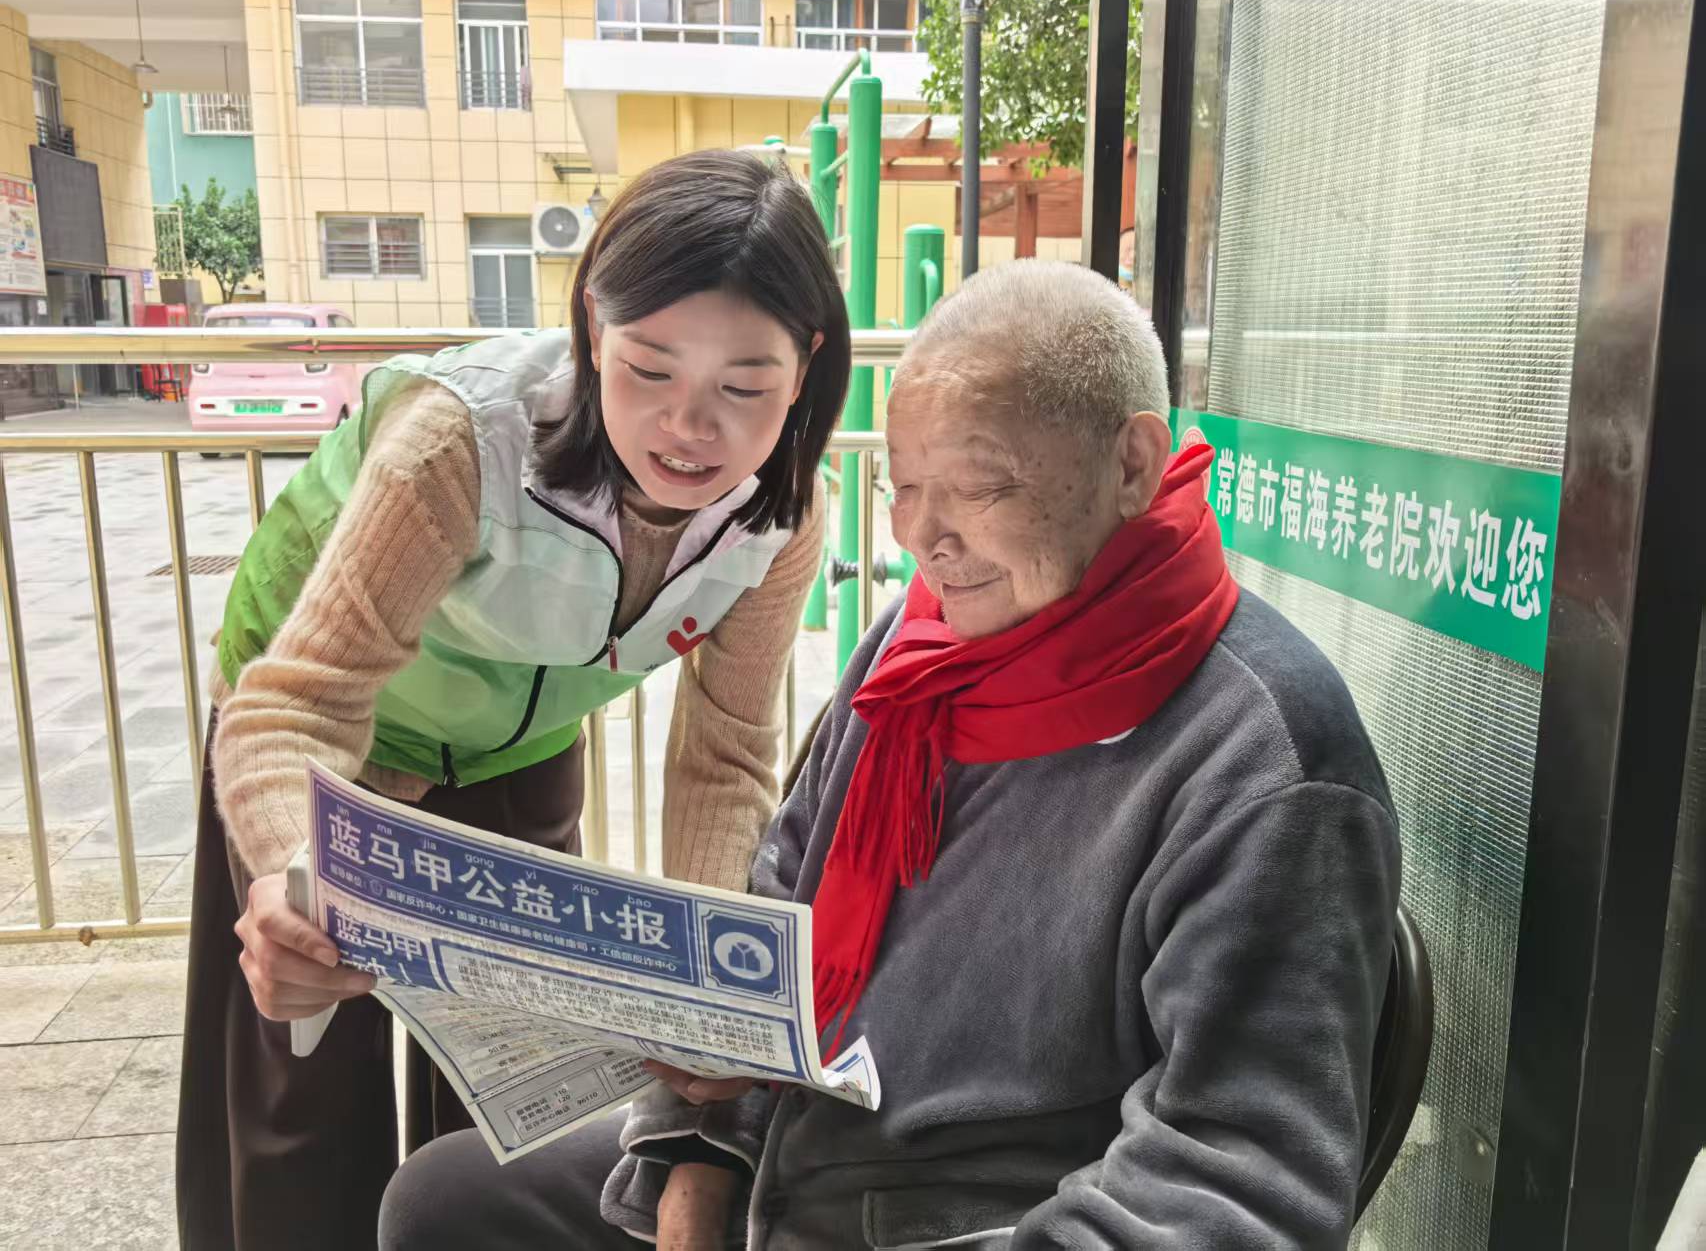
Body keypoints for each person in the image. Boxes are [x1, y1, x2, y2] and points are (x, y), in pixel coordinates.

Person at [378, 260, 1402, 1249]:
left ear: (1130, 463)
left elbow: (1234, 1182)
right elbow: (775, 924)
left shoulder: (1264, 764)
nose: (922, 536)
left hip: (970, 1213)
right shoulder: (915, 650)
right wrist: (697, 1171)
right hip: (791, 1152)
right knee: (446, 1201)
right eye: (903, 486)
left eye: (976, 486)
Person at [176, 149, 852, 1251]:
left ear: (805, 362)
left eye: (743, 387)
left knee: (511, 1085)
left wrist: (704, 991)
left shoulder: (780, 514)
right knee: (305, 1055)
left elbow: (725, 757)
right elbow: (292, 704)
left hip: (515, 744)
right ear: (591, 324)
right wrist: (282, 875)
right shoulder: (461, 441)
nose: (691, 429)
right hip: (327, 734)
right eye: (647, 369)